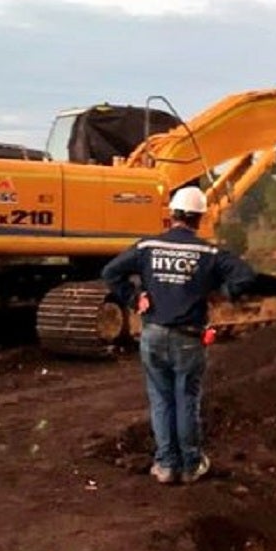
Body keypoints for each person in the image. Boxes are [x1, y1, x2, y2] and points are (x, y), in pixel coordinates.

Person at [101, 187, 256, 486]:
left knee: (161, 400)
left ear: (172, 214)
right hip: (188, 337)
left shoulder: (147, 247)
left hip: (153, 335)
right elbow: (246, 275)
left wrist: (133, 299)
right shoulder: (208, 253)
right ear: (199, 218)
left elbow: (110, 272)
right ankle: (191, 465)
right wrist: (221, 294)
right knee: (186, 400)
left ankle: (165, 465)